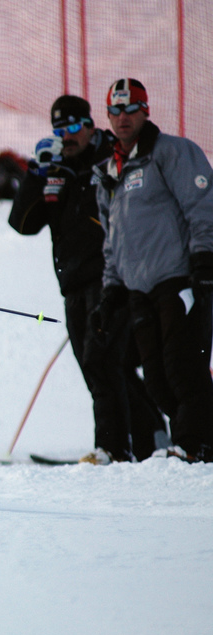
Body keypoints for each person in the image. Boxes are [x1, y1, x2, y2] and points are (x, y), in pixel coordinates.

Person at [8, 94, 166, 464]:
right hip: (73, 283)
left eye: (74, 127)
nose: (67, 136)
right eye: (59, 129)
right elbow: (22, 224)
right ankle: (150, 437)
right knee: (101, 366)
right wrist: (36, 174)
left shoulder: (111, 158)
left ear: (91, 126)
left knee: (103, 360)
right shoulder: (55, 169)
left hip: (112, 278)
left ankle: (112, 448)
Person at [94, 78, 213, 463]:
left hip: (179, 279)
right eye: (115, 111)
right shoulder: (109, 173)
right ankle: (195, 441)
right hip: (139, 290)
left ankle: (194, 445)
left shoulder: (172, 152)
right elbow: (112, 240)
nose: (123, 118)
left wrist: (204, 258)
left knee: (183, 368)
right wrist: (111, 291)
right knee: (158, 380)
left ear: (145, 111)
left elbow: (202, 204)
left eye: (131, 109)